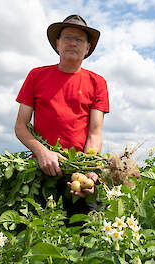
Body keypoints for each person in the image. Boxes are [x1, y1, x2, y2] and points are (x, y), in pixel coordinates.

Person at [14, 14, 109, 216]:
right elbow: (21, 126)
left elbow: (95, 133)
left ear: (88, 47)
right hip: (41, 171)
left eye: (79, 39)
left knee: (86, 234)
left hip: (79, 171)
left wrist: (86, 172)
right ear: (58, 44)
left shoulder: (97, 82)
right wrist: (42, 152)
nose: (72, 43)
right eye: (67, 37)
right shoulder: (36, 76)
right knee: (35, 232)